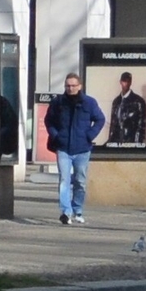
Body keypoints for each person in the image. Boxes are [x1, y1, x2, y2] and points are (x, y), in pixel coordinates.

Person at [44, 71, 105, 225]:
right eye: (67, 86)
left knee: (80, 181)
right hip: (63, 147)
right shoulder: (58, 102)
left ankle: (77, 210)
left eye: (73, 85)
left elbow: (100, 119)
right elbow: (49, 121)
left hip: (82, 148)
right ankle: (65, 212)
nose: (70, 88)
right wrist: (56, 135)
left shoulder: (89, 103)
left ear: (80, 86)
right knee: (64, 179)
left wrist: (90, 135)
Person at [107, 72, 146, 147]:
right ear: (120, 82)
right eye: (124, 81)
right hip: (116, 141)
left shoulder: (139, 101)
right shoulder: (116, 101)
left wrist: (137, 144)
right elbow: (113, 124)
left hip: (131, 141)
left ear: (130, 82)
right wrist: (110, 141)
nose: (126, 83)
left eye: (128, 81)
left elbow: (141, 125)